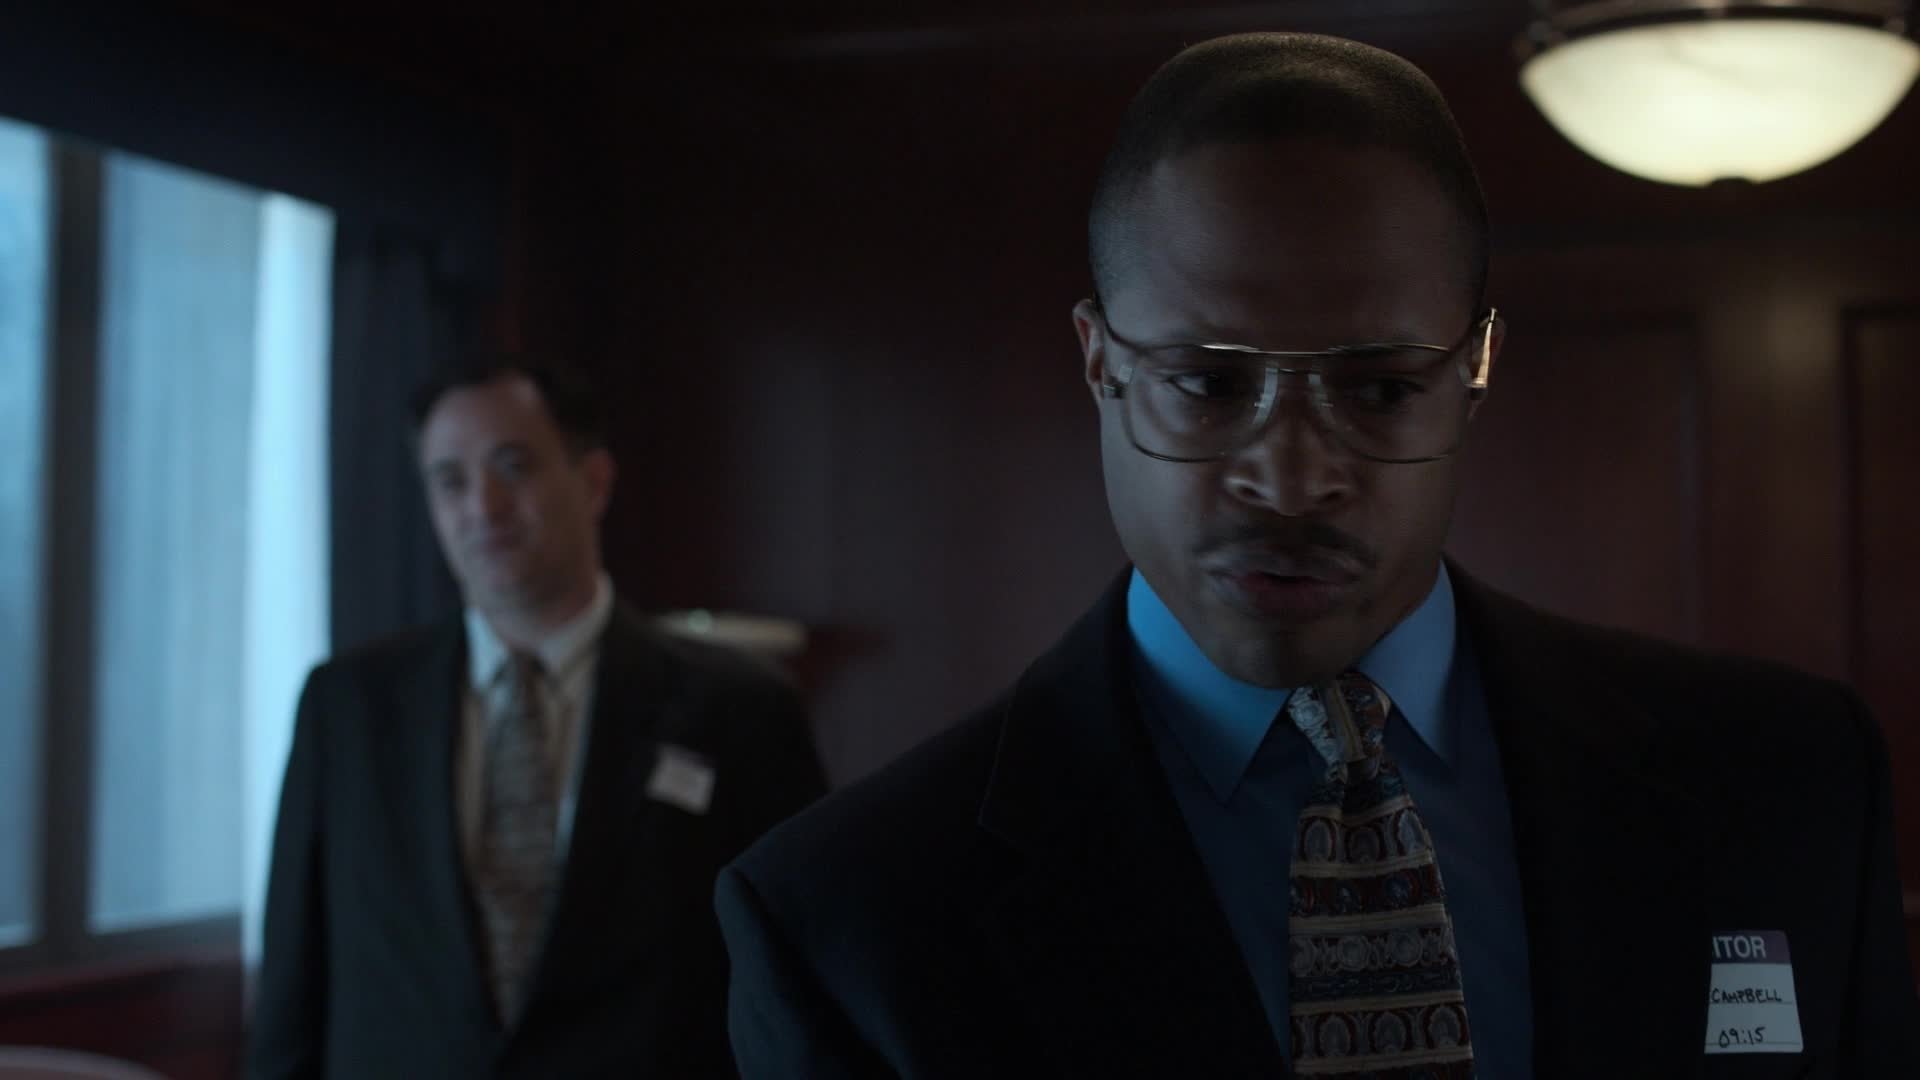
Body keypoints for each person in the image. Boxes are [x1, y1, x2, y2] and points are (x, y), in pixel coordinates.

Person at [715, 32, 1920, 1078]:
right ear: (1101, 363)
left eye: (1380, 387)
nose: (1291, 479)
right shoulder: (851, 917)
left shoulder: (1786, 781)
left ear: (1475, 371)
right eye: (1206, 383)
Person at [249, 354, 827, 1078]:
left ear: (594, 481)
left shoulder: (741, 708)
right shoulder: (346, 708)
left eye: (512, 466)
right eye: (450, 480)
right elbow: (291, 993)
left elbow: (794, 979)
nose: (482, 506)